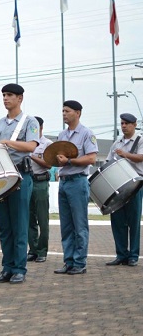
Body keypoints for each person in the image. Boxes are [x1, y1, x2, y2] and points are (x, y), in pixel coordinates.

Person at [0, 84, 39, 284]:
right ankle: (7, 267)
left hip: (20, 174)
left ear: (20, 98)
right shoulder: (1, 123)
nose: (5, 98)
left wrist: (9, 143)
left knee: (19, 224)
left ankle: (19, 268)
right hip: (2, 176)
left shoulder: (29, 121)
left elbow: (31, 146)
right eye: (3, 95)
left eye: (9, 95)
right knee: (4, 225)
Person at [53, 100, 98, 276]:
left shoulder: (87, 133)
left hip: (78, 181)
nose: (64, 114)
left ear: (78, 113)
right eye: (62, 111)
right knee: (66, 225)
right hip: (64, 182)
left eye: (68, 111)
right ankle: (69, 261)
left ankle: (80, 262)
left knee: (79, 225)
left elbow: (92, 158)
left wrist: (69, 161)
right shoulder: (62, 134)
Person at [105, 113, 142, 267]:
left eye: (127, 123)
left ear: (134, 124)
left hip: (135, 184)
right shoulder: (117, 143)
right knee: (117, 221)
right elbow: (108, 161)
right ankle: (121, 254)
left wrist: (125, 154)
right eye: (122, 123)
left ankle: (133, 255)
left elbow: (141, 157)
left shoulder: (140, 140)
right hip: (118, 185)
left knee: (133, 221)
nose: (124, 126)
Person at [27, 117, 53, 263]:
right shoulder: (26, 143)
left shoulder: (47, 144)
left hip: (41, 181)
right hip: (27, 181)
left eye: (35, 128)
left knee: (42, 219)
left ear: (41, 128)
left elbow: (49, 164)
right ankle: (33, 250)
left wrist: (32, 155)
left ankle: (42, 251)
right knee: (29, 219)